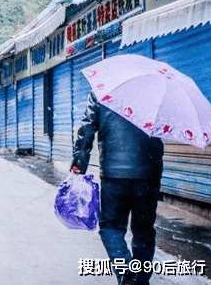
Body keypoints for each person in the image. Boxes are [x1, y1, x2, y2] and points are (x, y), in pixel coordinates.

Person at [70, 92, 164, 285]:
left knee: (111, 226)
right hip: (147, 174)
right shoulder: (157, 93)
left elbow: (87, 129)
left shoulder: (102, 90)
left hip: (114, 174)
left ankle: (125, 272)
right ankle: (140, 280)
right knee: (143, 230)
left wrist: (79, 164)